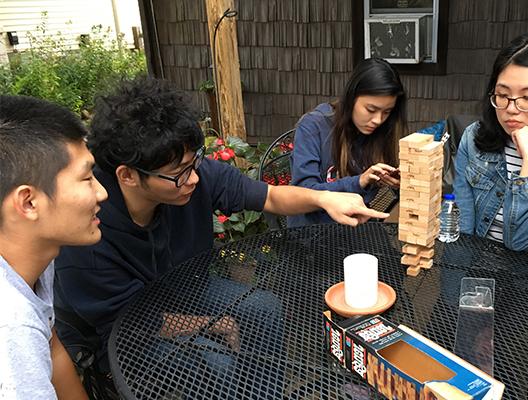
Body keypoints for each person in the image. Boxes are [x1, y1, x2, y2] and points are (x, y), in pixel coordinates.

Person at [53, 78, 388, 384]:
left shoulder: (193, 175)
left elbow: (269, 196)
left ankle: (262, 391)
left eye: (194, 163)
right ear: (128, 176)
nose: (195, 179)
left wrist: (324, 199)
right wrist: (213, 324)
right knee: (216, 364)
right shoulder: (88, 230)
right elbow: (133, 325)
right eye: (179, 173)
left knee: (264, 308)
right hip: (126, 333)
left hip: (186, 289)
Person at [0, 95, 108, 399]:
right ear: (29, 202)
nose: (101, 193)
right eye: (86, 178)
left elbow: (51, 342)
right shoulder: (12, 328)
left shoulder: (32, 256)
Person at [452, 33, 528, 268]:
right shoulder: (474, 138)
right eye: (503, 95)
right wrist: (458, 281)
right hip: (479, 270)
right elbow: (464, 226)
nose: (511, 109)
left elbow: (521, 240)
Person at [289, 57, 407, 227]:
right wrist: (359, 181)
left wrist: (388, 182)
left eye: (387, 112)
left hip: (356, 229)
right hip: (311, 234)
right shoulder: (313, 126)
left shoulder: (382, 130)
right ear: (351, 98)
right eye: (371, 109)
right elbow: (303, 193)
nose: (378, 120)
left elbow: (375, 203)